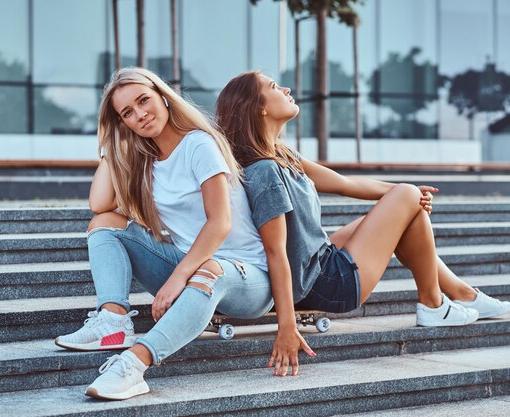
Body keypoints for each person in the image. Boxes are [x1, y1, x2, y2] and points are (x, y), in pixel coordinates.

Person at [215, 71, 510, 377]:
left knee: (409, 202)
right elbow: (275, 252)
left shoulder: (282, 156)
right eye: (275, 87)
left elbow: (344, 183)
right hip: (326, 284)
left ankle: (462, 294)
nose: (287, 89)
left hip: (318, 263)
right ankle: (435, 304)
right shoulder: (265, 172)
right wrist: (286, 326)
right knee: (406, 196)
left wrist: (409, 194)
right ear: (258, 107)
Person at [54, 67, 276, 400]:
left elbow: (220, 222)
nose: (140, 115)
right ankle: (113, 322)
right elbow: (99, 204)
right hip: (192, 267)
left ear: (163, 96)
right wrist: (113, 142)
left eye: (144, 101)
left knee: (209, 270)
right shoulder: (145, 160)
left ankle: (133, 363)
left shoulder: (199, 144)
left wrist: (177, 278)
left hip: (247, 277)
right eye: (127, 113)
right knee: (105, 224)